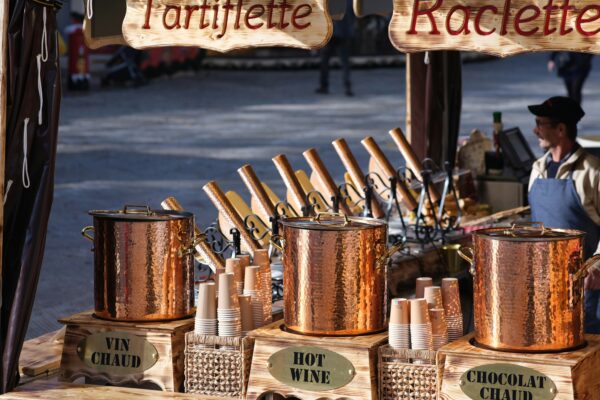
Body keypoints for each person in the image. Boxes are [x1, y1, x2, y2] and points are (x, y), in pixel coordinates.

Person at [527, 96, 600, 333]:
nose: (535, 130)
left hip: (584, 284)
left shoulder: (591, 171)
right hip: (544, 283)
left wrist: (598, 266)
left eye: (540, 124)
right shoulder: (537, 169)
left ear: (560, 129)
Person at [316, 0, 356, 97]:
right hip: (344, 33)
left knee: (325, 60)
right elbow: (353, 15)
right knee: (344, 61)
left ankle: (324, 85)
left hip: (331, 34)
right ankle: (347, 86)